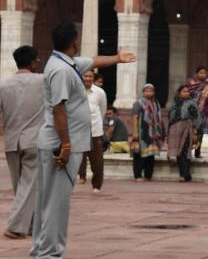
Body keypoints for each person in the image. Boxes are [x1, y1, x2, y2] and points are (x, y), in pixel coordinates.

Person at [31, 22, 135, 259]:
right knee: (56, 202)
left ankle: (41, 249)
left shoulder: (65, 63)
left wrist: (117, 58)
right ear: (73, 42)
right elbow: (58, 108)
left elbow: (95, 61)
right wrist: (66, 145)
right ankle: (49, 252)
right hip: (60, 145)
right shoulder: (61, 70)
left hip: (61, 142)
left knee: (48, 200)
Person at [0, 45, 44, 240]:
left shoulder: (4, 85)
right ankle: (16, 226)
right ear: (33, 62)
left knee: (21, 187)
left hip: (11, 141)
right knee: (29, 186)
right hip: (33, 140)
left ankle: (30, 225)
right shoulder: (42, 81)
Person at [77, 69, 107, 191]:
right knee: (79, 157)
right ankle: (81, 177)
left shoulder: (99, 92)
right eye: (85, 76)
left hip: (95, 130)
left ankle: (97, 185)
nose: (88, 79)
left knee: (97, 161)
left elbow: (103, 110)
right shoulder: (75, 91)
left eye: (90, 76)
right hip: (78, 130)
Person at [130, 83, 165, 182]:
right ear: (143, 92)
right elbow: (135, 117)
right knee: (139, 154)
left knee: (151, 154)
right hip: (143, 132)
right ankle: (138, 175)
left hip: (153, 133)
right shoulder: (138, 103)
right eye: (147, 91)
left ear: (153, 92)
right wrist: (135, 132)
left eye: (150, 91)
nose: (149, 93)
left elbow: (159, 118)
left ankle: (148, 175)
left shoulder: (156, 103)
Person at [167, 84, 201, 182]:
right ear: (179, 93)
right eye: (184, 91)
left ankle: (186, 174)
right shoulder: (174, 104)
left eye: (187, 91)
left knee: (185, 151)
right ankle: (183, 174)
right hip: (175, 130)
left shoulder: (191, 103)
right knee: (178, 152)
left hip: (187, 129)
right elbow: (170, 118)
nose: (186, 93)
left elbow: (197, 117)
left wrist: (195, 131)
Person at [186, 66, 208, 158]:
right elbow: (186, 96)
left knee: (200, 133)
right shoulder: (191, 83)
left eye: (205, 73)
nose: (203, 74)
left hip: (202, 112)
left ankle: (198, 152)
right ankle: (188, 151)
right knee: (189, 132)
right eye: (201, 72)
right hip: (191, 112)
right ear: (196, 74)